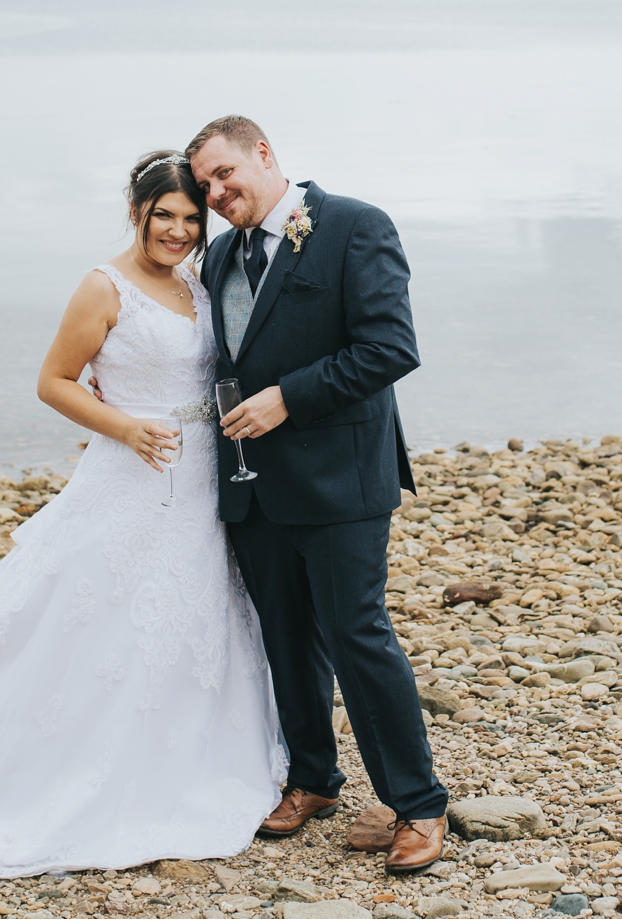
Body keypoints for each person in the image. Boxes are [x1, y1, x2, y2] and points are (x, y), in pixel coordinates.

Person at [0, 150, 285, 877]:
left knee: (195, 614)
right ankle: (91, 768)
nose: (180, 230)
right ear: (138, 212)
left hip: (198, 482)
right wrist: (125, 426)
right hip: (133, 472)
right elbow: (53, 381)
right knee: (114, 619)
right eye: (165, 216)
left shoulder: (196, 284)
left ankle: (190, 757)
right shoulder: (104, 287)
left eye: (193, 218)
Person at [186, 115, 450, 875]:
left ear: (264, 153)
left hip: (341, 481)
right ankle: (312, 779)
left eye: (225, 173)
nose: (215, 192)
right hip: (252, 486)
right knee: (285, 638)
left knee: (356, 636)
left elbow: (389, 346)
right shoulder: (222, 255)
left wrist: (287, 399)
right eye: (204, 184)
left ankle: (419, 802)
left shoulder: (353, 226)